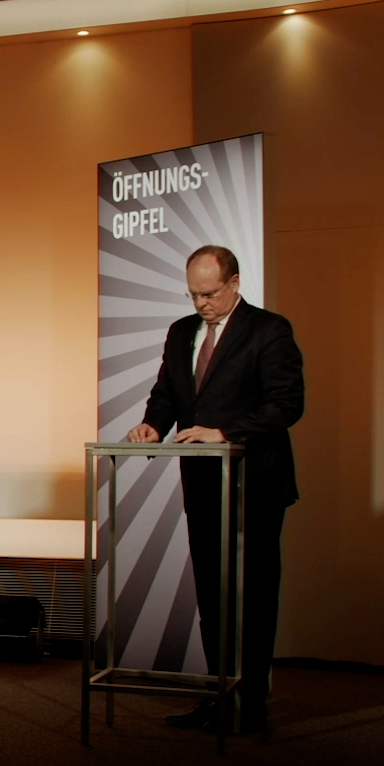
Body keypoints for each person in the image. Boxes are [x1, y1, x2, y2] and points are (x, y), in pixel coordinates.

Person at [128, 245, 303, 735]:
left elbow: (287, 404)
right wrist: (152, 425)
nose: (202, 303)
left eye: (210, 293)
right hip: (203, 483)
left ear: (235, 283)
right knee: (212, 594)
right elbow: (167, 393)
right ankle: (218, 696)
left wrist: (224, 432)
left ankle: (252, 707)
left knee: (254, 596)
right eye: (194, 294)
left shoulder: (269, 330)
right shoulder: (181, 332)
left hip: (255, 484)